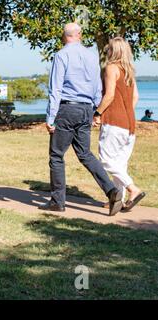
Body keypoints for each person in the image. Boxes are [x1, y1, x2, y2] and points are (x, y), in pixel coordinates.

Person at [40, 22, 123, 216]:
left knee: (56, 155)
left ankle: (57, 202)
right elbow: (97, 87)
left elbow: (56, 88)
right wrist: (96, 111)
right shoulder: (91, 55)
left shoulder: (61, 55)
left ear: (64, 36)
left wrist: (50, 117)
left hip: (67, 109)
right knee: (85, 154)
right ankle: (112, 190)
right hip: (86, 109)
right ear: (80, 34)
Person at [93, 37, 146, 212]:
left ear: (113, 51)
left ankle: (133, 189)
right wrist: (126, 112)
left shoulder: (111, 68)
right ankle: (118, 200)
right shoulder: (129, 70)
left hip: (114, 122)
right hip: (130, 124)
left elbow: (108, 96)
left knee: (106, 160)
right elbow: (135, 97)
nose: (106, 51)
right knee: (120, 164)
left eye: (108, 48)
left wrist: (98, 113)